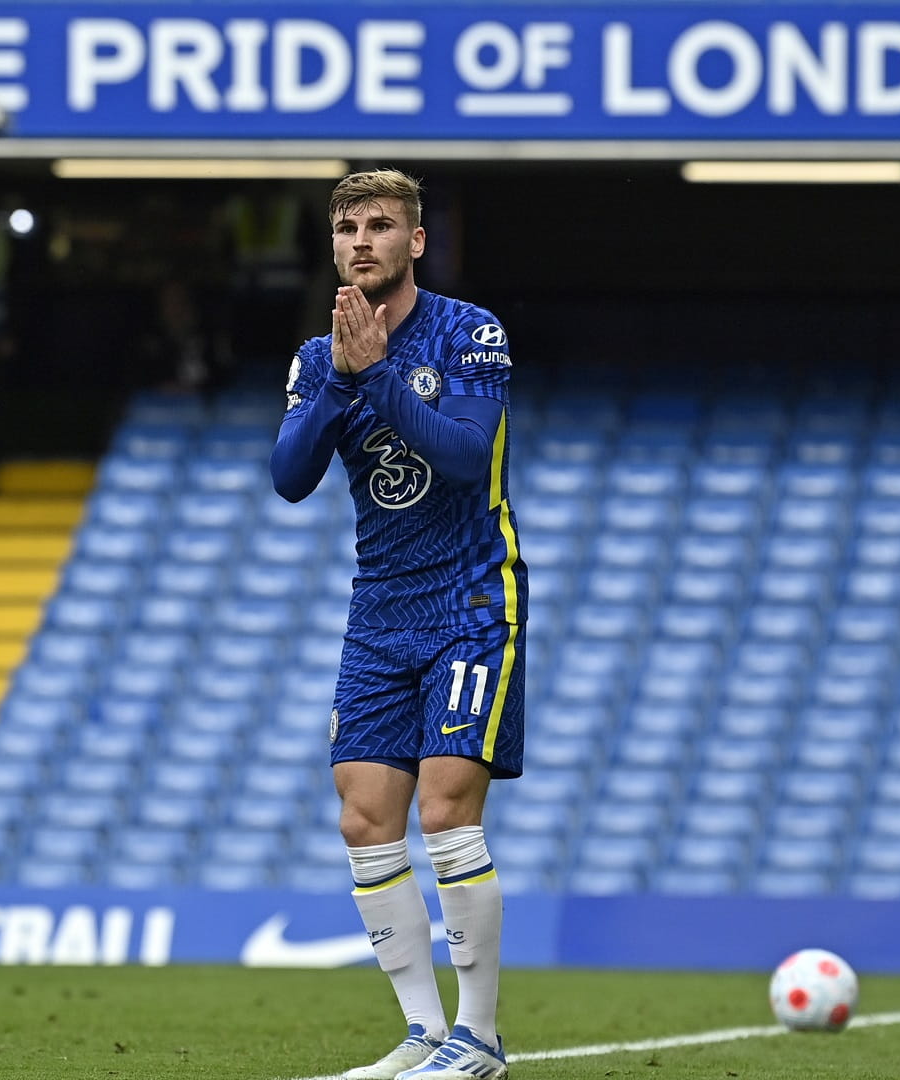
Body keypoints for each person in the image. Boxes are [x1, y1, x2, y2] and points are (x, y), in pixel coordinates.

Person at [270, 169, 527, 1080]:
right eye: (347, 228)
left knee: (445, 807)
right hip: (380, 608)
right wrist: (342, 381)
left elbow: (464, 457)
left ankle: (479, 1036)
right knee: (363, 818)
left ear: (415, 241)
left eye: (380, 225)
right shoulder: (318, 357)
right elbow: (290, 477)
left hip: (470, 597)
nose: (361, 241)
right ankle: (423, 1031)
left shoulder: (469, 332)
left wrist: (379, 376)